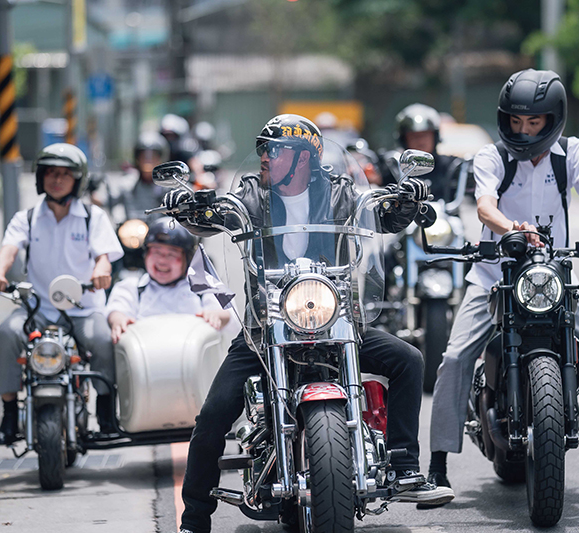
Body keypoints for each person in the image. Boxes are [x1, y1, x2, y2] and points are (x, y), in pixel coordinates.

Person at [164, 114, 454, 533]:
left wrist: (404, 200)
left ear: (303, 158)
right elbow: (214, 219)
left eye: (274, 150)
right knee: (212, 416)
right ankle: (194, 518)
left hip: (337, 320)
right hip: (267, 328)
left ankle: (406, 467)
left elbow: (383, 217)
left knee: (408, 358)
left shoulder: (339, 192)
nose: (265, 157)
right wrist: (191, 207)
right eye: (263, 149)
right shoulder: (250, 195)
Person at [422, 69, 579, 509]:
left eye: (534, 122)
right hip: (494, 276)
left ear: (553, 119)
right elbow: (485, 207)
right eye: (517, 121)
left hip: (552, 276)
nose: (523, 130)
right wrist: (510, 228)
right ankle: (437, 468)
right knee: (454, 357)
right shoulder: (491, 156)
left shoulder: (571, 153)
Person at [0, 143, 124, 441]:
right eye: (50, 173)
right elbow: (9, 249)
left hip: (84, 309)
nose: (57, 179)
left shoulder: (92, 216)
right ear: (40, 178)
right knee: (5, 335)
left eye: (64, 174)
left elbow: (104, 255)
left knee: (103, 340)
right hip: (37, 310)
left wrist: (102, 269)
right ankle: (9, 415)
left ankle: (106, 412)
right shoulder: (28, 217)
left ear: (78, 179)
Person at [105, 217, 236, 343]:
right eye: (156, 252)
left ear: (188, 259)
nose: (162, 260)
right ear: (146, 254)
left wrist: (217, 315)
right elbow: (116, 309)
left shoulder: (206, 285)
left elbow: (232, 316)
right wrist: (118, 319)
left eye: (171, 254)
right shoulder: (131, 287)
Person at [381, 103, 462, 203]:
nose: (420, 141)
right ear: (404, 140)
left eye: (425, 135)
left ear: (435, 136)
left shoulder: (451, 165)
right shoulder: (394, 167)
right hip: (406, 218)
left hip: (446, 216)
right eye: (414, 136)